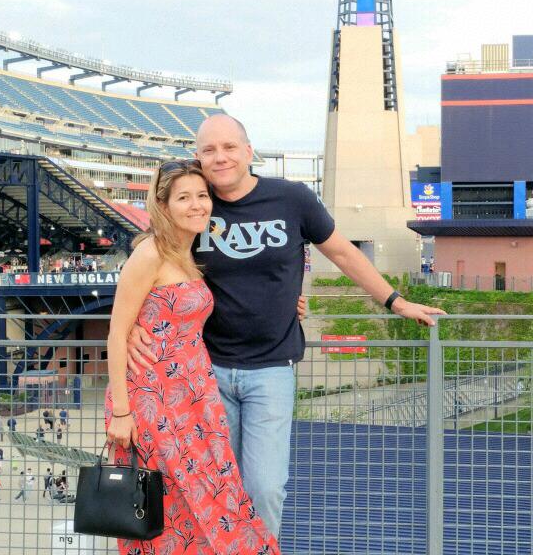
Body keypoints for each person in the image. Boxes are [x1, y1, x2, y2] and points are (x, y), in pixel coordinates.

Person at [127, 115, 445, 537]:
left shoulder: (290, 198)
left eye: (229, 147)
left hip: (271, 368)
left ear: (249, 151)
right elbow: (148, 261)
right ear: (197, 157)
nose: (220, 157)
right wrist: (131, 324)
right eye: (209, 150)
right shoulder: (194, 203)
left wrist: (395, 300)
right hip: (204, 371)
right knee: (210, 488)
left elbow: (345, 254)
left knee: (264, 486)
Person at [105, 159, 280, 554]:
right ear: (163, 205)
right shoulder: (150, 253)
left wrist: (292, 304)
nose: (197, 205)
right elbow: (117, 332)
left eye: (202, 195)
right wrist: (121, 411)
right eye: (184, 197)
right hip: (153, 400)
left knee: (215, 498)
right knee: (167, 509)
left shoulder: (190, 250)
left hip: (195, 399)